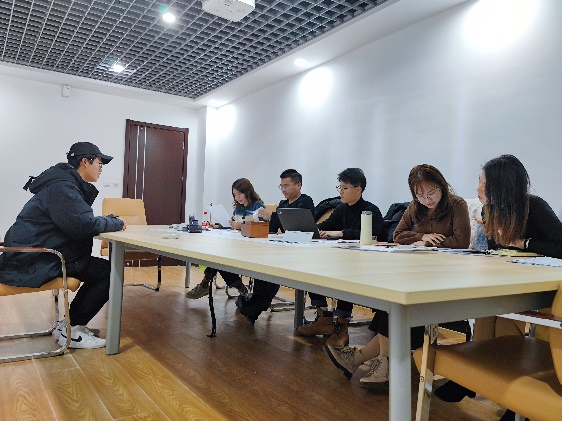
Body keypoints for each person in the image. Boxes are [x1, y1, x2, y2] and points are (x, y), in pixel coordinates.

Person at [434, 155, 562, 421]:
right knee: (490, 308)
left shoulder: (534, 207)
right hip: (512, 282)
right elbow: (499, 251)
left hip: (542, 290)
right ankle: (493, 388)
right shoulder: (489, 212)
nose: (477, 190)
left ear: (501, 187)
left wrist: (524, 243)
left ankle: (502, 396)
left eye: (483, 184)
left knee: (499, 312)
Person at [324, 164, 470, 387]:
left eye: (431, 193)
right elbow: (397, 235)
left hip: (444, 274)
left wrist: (426, 242)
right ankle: (373, 359)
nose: (427, 200)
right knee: (391, 299)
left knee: (394, 302)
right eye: (420, 195)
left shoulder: (456, 204)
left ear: (441, 186)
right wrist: (422, 237)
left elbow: (461, 242)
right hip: (417, 270)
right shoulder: (415, 206)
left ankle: (374, 361)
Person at [0, 142, 126, 349]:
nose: (101, 168)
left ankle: (68, 326)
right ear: (85, 162)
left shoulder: (62, 184)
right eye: (99, 163)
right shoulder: (63, 188)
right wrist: (116, 222)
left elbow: (79, 221)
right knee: (110, 272)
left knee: (103, 270)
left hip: (31, 256)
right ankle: (72, 330)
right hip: (34, 260)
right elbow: (84, 225)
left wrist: (107, 221)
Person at [296, 168, 383, 348]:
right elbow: (327, 225)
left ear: (358, 189)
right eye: (340, 187)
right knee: (312, 267)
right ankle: (323, 316)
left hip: (363, 262)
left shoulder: (370, 210)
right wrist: (313, 229)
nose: (340, 192)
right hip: (339, 257)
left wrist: (342, 233)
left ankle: (342, 324)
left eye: (345, 188)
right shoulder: (341, 208)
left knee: (347, 273)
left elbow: (375, 234)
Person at [237, 169, 315, 321]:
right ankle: (259, 299)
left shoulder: (305, 201)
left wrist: (272, 215)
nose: (283, 190)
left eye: (286, 186)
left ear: (298, 185)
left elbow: (296, 224)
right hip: (285, 246)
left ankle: (260, 301)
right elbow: (274, 228)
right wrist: (267, 219)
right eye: (281, 186)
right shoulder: (283, 203)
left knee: (273, 263)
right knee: (263, 259)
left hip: (301, 248)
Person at [186, 178, 263, 302]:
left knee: (219, 258)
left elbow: (262, 228)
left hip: (252, 248)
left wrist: (241, 226)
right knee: (218, 257)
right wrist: (218, 225)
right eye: (235, 195)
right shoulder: (238, 208)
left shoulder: (257, 206)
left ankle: (206, 284)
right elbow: (232, 224)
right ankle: (239, 288)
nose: (237, 197)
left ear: (248, 191)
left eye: (240, 194)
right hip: (237, 245)